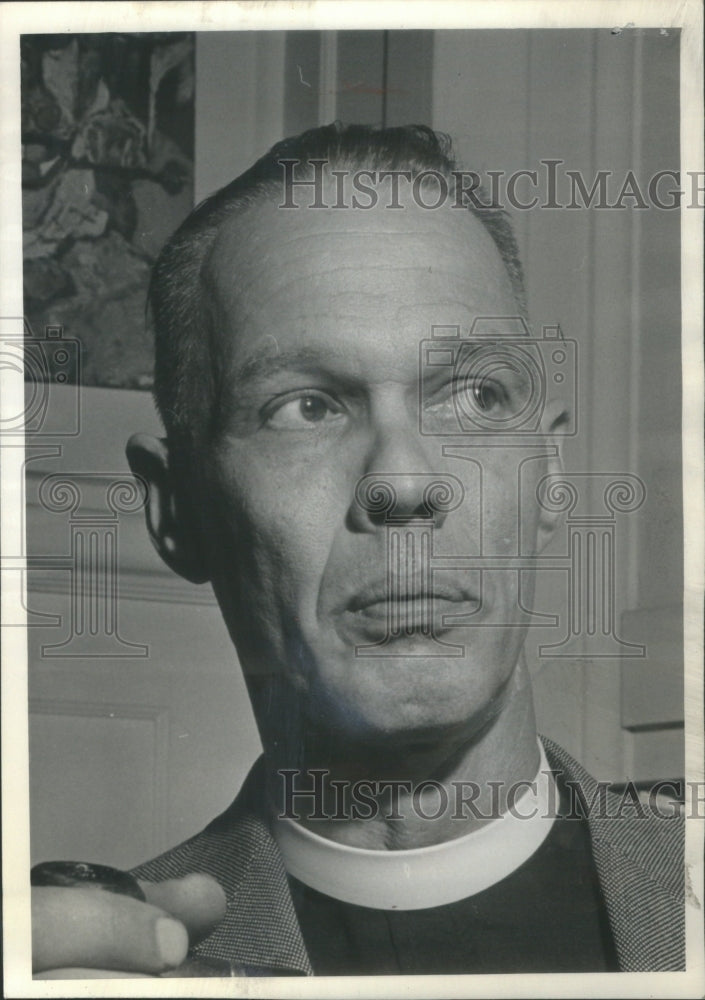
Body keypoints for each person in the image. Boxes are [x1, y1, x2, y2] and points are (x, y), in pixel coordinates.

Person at [31, 123, 684, 979]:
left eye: (475, 395)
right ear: (176, 508)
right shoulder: (92, 969)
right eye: (305, 406)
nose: (403, 481)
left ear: (549, 478)